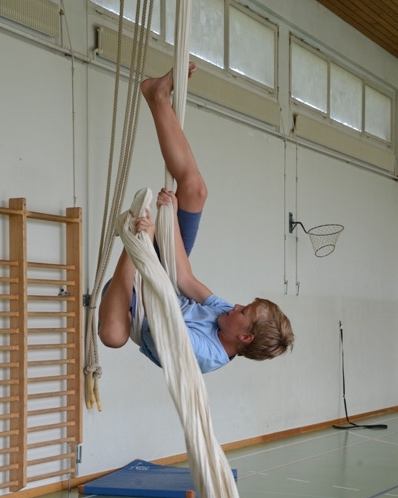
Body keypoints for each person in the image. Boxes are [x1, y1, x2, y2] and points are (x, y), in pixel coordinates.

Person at [98, 64, 294, 374]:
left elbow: (161, 317)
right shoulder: (226, 316)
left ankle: (132, 244)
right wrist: (172, 218)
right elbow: (185, 280)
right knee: (195, 191)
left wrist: (146, 246)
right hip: (160, 279)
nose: (236, 306)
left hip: (140, 309)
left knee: (112, 336)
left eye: (244, 311)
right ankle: (157, 96)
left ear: (245, 337)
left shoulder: (204, 353)